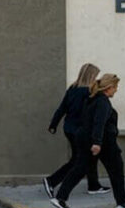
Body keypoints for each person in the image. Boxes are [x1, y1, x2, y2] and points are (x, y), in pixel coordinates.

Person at [50, 74, 125, 208]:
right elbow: (99, 123)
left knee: (80, 168)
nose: (116, 90)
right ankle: (122, 202)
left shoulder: (92, 98)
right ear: (108, 88)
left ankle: (60, 198)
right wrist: (97, 143)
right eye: (115, 87)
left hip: (85, 138)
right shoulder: (103, 102)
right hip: (102, 142)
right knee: (116, 169)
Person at [42, 63, 109, 198]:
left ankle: (93, 185)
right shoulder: (89, 92)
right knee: (78, 160)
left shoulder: (72, 89)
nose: (97, 79)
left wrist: (53, 124)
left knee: (89, 157)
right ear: (91, 76)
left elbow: (62, 108)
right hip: (81, 130)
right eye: (96, 76)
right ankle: (51, 181)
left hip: (69, 128)